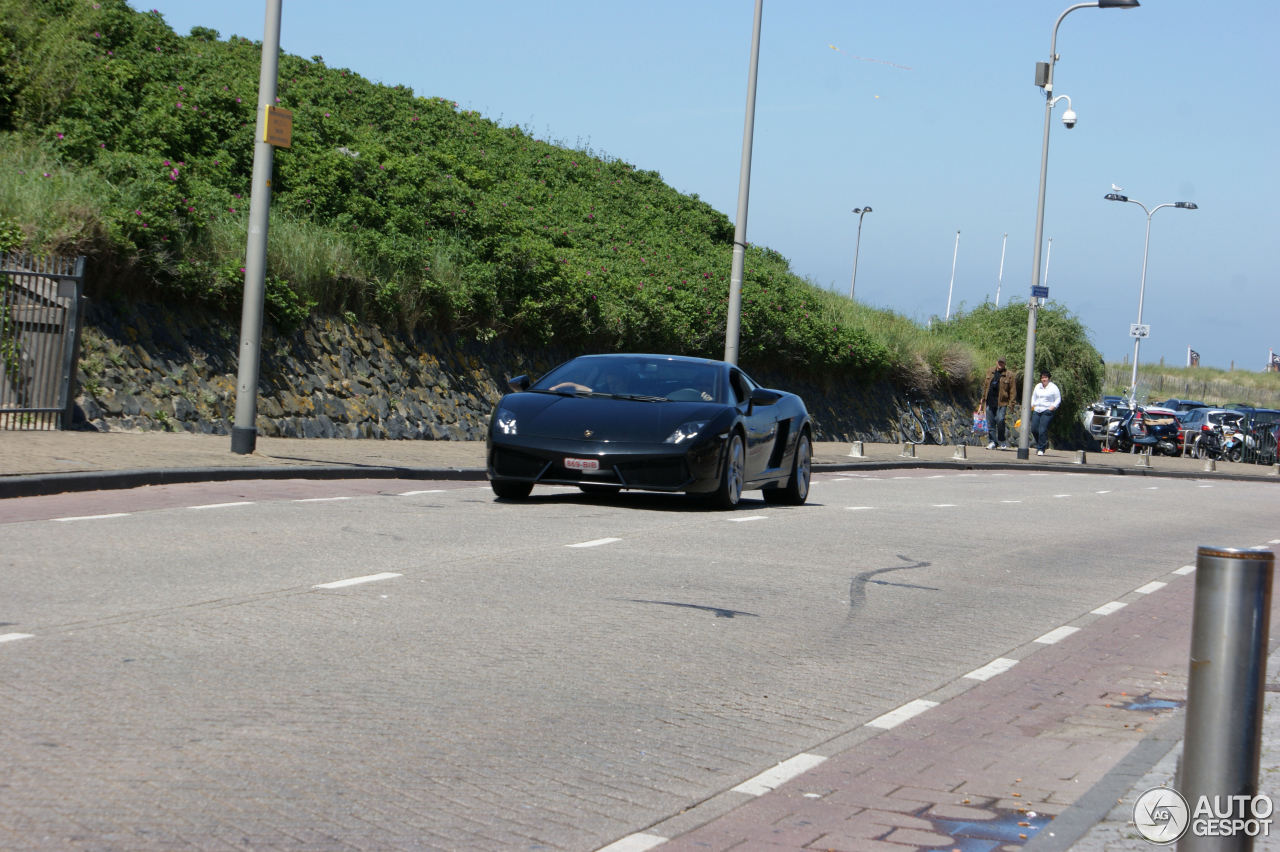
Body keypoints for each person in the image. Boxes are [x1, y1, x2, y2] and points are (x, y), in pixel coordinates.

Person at [980, 358, 1017, 449]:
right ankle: (992, 442)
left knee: (1000, 420)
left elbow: (1012, 390)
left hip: (1002, 403)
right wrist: (983, 398)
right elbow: (986, 386)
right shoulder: (990, 371)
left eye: (1002, 363)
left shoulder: (1009, 375)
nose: (1000, 364)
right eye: (999, 362)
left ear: (1005, 364)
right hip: (990, 401)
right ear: (996, 362)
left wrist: (1012, 404)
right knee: (990, 423)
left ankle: (1002, 440)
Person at [1029, 369, 1062, 456]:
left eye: (1045, 378)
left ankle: (1041, 448)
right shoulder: (1038, 386)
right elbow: (1034, 396)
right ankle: (1041, 443)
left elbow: (1058, 398)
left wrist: (1052, 407)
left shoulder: (1053, 387)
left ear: (1049, 378)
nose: (1044, 379)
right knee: (1034, 429)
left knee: (1042, 430)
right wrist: (1033, 405)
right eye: (1042, 378)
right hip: (1037, 410)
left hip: (1047, 411)